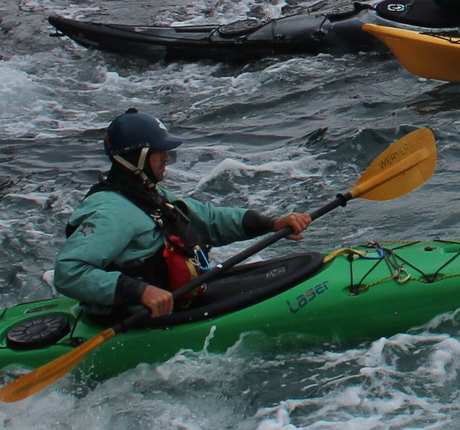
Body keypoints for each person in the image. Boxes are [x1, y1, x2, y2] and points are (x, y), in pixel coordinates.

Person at [53, 111, 312, 321]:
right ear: (139, 157)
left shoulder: (147, 195)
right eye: (160, 151)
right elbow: (68, 271)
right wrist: (140, 292)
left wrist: (271, 224)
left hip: (180, 299)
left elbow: (208, 219)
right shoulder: (110, 213)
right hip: (138, 317)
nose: (167, 158)